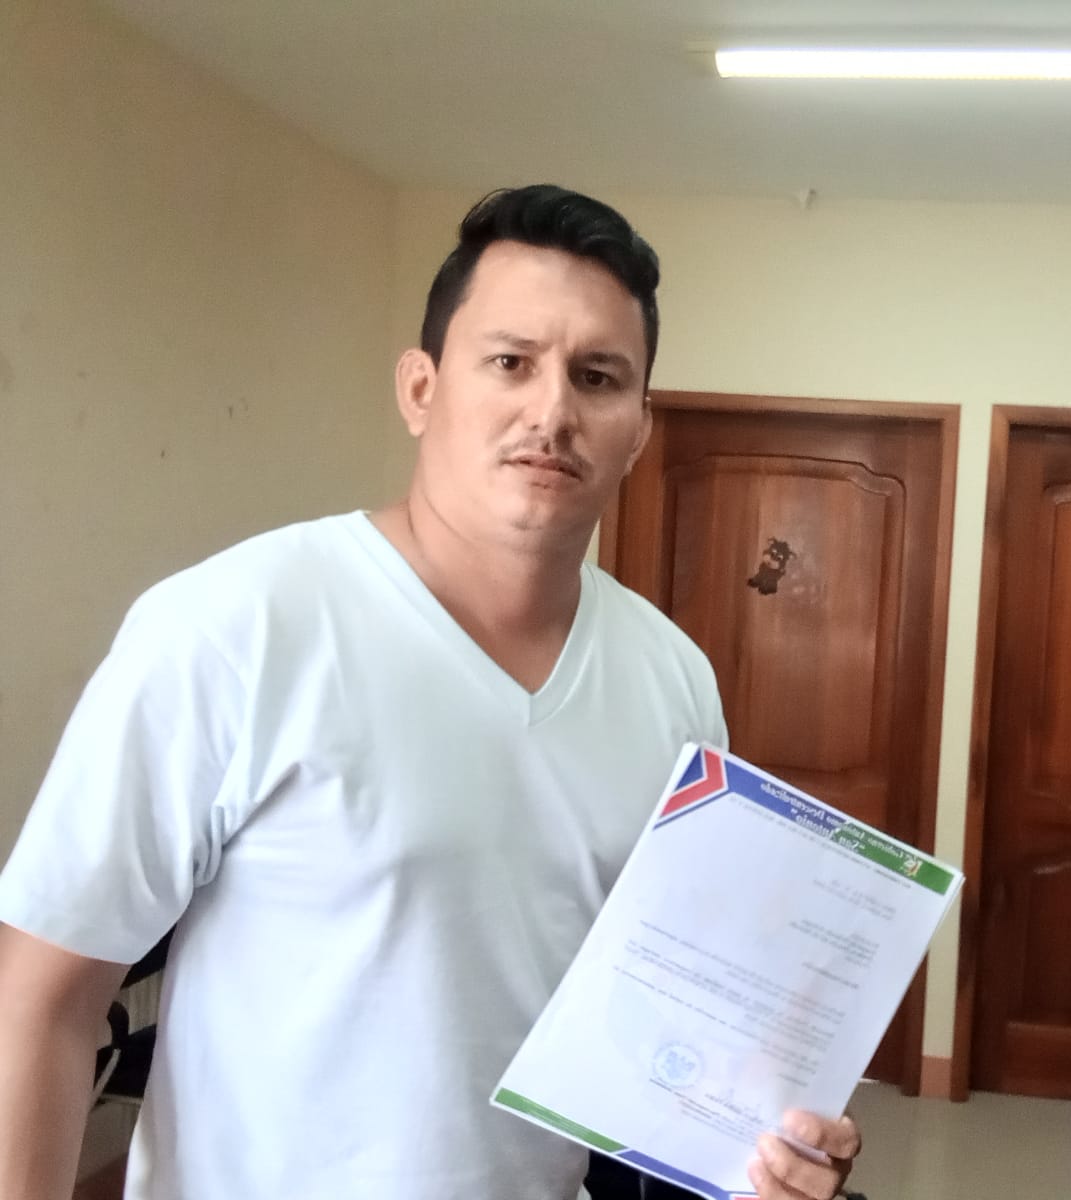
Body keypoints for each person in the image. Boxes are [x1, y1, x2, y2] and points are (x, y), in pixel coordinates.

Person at [0, 185, 859, 1200]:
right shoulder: (234, 627)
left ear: (637, 429)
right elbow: (43, 1001)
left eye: (597, 377)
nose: (552, 411)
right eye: (510, 362)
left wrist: (767, 1148)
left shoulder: (672, 679)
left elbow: (675, 1020)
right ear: (420, 389)